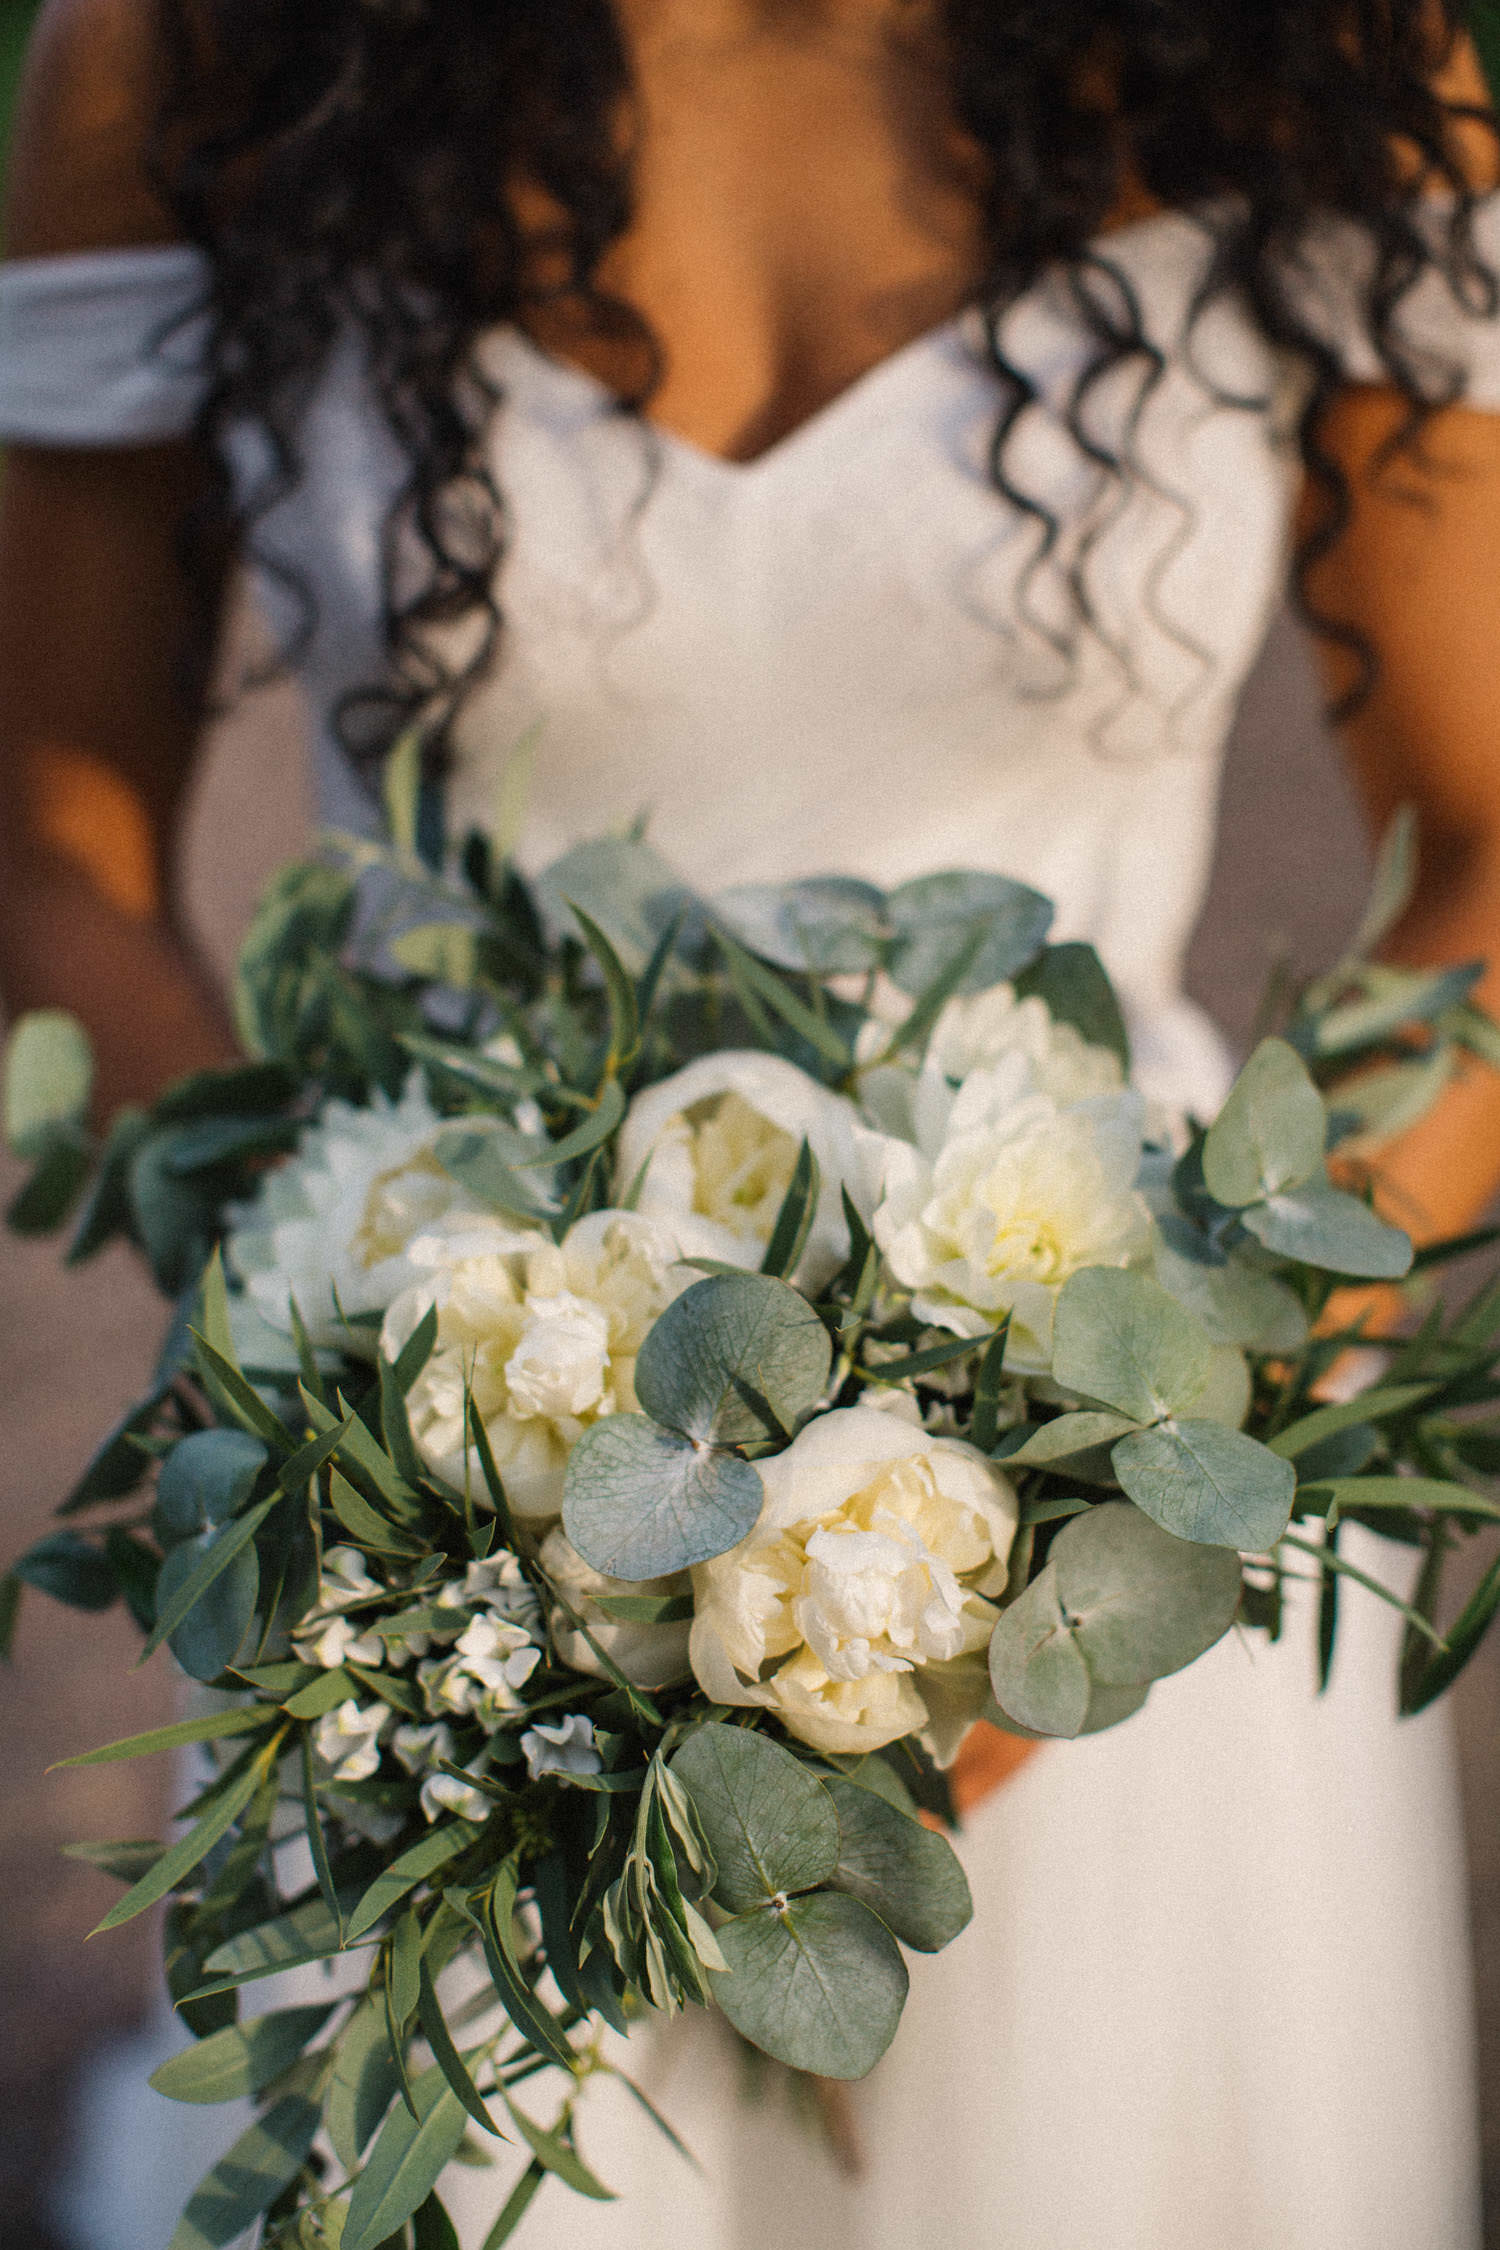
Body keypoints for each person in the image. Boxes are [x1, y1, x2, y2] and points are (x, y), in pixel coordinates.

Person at [2, 1, 1500, 2243]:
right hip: (449, 1592)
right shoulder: (200, 55)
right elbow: (51, 844)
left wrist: (1135, 1461)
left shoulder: (1300, 52)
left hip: (1116, 1568)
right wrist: (376, 1390)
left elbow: (1489, 849)